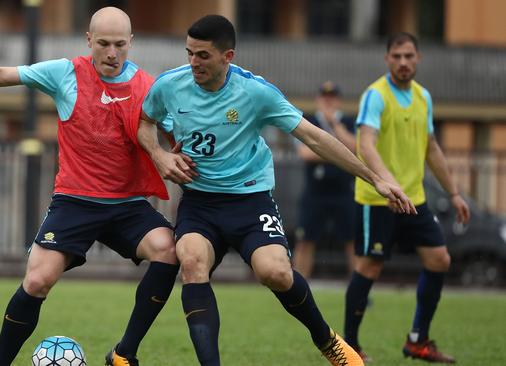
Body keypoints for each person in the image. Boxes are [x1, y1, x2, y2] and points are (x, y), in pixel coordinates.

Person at [138, 15, 416, 366]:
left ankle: (327, 340)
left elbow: (314, 136)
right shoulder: (169, 85)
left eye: (203, 55)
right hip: (200, 202)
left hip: (250, 201)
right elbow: (145, 120)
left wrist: (373, 177)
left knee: (276, 273)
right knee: (191, 261)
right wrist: (159, 154)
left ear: (228, 57)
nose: (193, 62)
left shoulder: (256, 93)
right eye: (189, 53)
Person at [0, 7, 179, 366]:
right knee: (38, 280)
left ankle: (123, 353)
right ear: (89, 40)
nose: (112, 53)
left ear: (131, 42)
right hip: (74, 201)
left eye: (120, 44)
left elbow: (177, 133)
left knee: (168, 250)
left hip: (127, 204)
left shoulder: (149, 87)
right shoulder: (64, 73)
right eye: (103, 43)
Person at [343, 32, 470, 364]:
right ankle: (349, 349)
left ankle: (418, 341)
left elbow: (431, 148)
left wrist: (455, 193)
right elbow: (366, 144)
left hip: (414, 198)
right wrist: (388, 183)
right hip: (377, 199)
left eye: (408, 56)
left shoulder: (423, 97)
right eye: (396, 56)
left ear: (418, 59)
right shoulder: (375, 95)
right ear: (387, 59)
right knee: (370, 266)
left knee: (439, 260)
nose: (403, 62)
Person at [293, 81, 357, 278]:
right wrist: (338, 153)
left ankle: (358, 289)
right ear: (318, 99)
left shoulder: (348, 122)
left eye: (332, 98)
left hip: (343, 192)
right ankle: (296, 289)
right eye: (324, 97)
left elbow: (354, 149)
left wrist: (334, 124)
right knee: (305, 241)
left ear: (338, 101)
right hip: (315, 193)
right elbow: (304, 153)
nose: (328, 101)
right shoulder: (308, 120)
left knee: (353, 242)